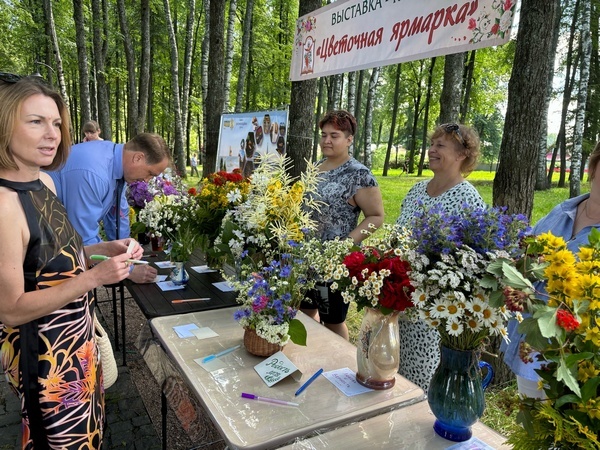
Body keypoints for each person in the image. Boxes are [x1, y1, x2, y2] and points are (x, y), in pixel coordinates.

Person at [0, 75, 139, 449]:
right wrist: (93, 279)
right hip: (45, 358)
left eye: (57, 123)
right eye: (36, 121)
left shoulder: (44, 182)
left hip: (78, 344)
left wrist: (106, 248)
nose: (52, 134)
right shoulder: (4, 205)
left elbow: (57, 259)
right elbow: (11, 310)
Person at [502, 142, 600, 399]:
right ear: (593, 167)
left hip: (575, 362)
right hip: (530, 350)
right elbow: (524, 254)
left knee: (561, 433)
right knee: (531, 422)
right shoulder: (563, 210)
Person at [395, 122, 486, 392]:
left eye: (440, 145)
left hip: (434, 315)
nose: (431, 150)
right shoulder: (416, 191)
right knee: (393, 372)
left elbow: (476, 263)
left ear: (462, 155)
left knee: (421, 381)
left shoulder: (467, 199)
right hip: (400, 302)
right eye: (432, 144)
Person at [300, 110, 385, 340]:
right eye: (324, 134)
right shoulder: (315, 168)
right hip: (304, 258)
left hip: (332, 264)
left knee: (332, 320)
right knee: (303, 314)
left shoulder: (358, 174)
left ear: (349, 139)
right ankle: (310, 359)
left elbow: (376, 216)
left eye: (334, 135)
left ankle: (338, 367)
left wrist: (346, 244)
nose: (327, 140)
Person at [48, 132, 171, 283]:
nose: (146, 181)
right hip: (43, 248)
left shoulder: (115, 162)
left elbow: (119, 214)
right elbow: (83, 237)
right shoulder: (93, 172)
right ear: (138, 157)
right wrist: (129, 270)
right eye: (150, 173)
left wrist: (128, 251)